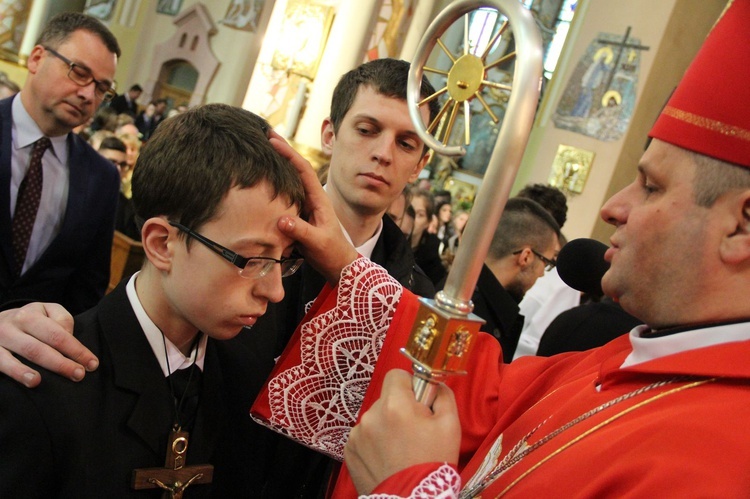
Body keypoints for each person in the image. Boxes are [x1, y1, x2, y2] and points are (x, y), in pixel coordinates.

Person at [338, 1, 750, 495]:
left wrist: (407, 487)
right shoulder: (626, 361)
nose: (612, 208)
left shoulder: (722, 461)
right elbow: (479, 392)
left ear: (741, 228)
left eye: (651, 185)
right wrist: (342, 261)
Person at [0, 103, 359, 496]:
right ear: (162, 244)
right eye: (252, 259)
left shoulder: (254, 376)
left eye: (285, 260)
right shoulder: (43, 386)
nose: (274, 290)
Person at [0, 13, 121, 314]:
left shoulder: (101, 177)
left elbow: (87, 288)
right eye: (79, 72)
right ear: (37, 58)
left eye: (102, 88)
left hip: (34, 352)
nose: (87, 94)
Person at [458, 197, 560, 362]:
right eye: (546, 263)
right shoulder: (469, 313)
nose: (542, 274)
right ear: (526, 257)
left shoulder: (464, 289)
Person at [97, 136, 140, 240]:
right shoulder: (79, 193)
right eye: (112, 162)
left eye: (122, 164)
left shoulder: (128, 209)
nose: (117, 169)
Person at [410, 189, 446, 286]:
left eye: (420, 214)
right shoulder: (387, 239)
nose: (412, 218)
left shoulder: (433, 253)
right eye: (409, 211)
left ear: (428, 221)